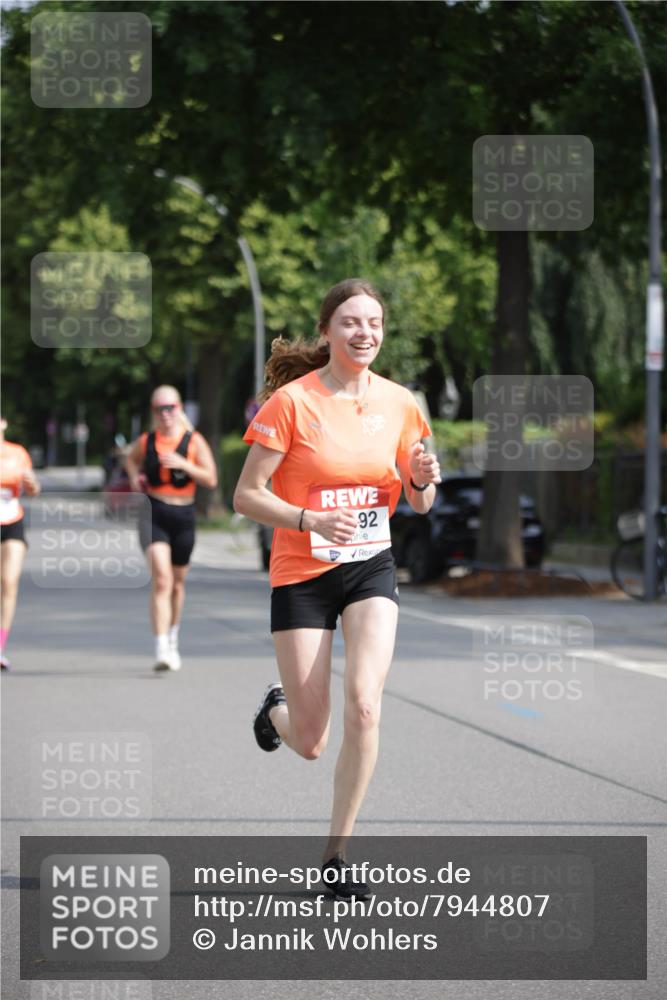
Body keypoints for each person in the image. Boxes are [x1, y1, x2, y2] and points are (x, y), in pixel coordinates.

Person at [234, 278, 441, 898]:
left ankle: (337, 856)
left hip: (370, 566)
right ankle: (276, 708)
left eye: (374, 322)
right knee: (313, 741)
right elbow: (245, 495)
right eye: (351, 322)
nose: (365, 333)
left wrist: (424, 478)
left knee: (366, 704)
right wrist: (307, 519)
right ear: (326, 331)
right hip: (302, 570)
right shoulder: (291, 404)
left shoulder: (402, 403)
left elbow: (421, 502)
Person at [125, 386, 217, 672]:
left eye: (171, 408)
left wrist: (184, 464)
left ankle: (173, 636)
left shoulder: (193, 441)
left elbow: (211, 479)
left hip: (184, 514)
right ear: (154, 412)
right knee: (162, 580)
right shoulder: (146, 440)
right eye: (160, 409)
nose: (166, 414)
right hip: (153, 512)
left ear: (179, 409)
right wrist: (133, 479)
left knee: (177, 584)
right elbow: (130, 460)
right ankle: (161, 646)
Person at [1, 417, 41, 670]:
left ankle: (0, 646)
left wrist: (32, 484)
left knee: (8, 582)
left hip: (12, 520)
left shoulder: (18, 453)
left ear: (3, 423)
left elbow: (34, 488)